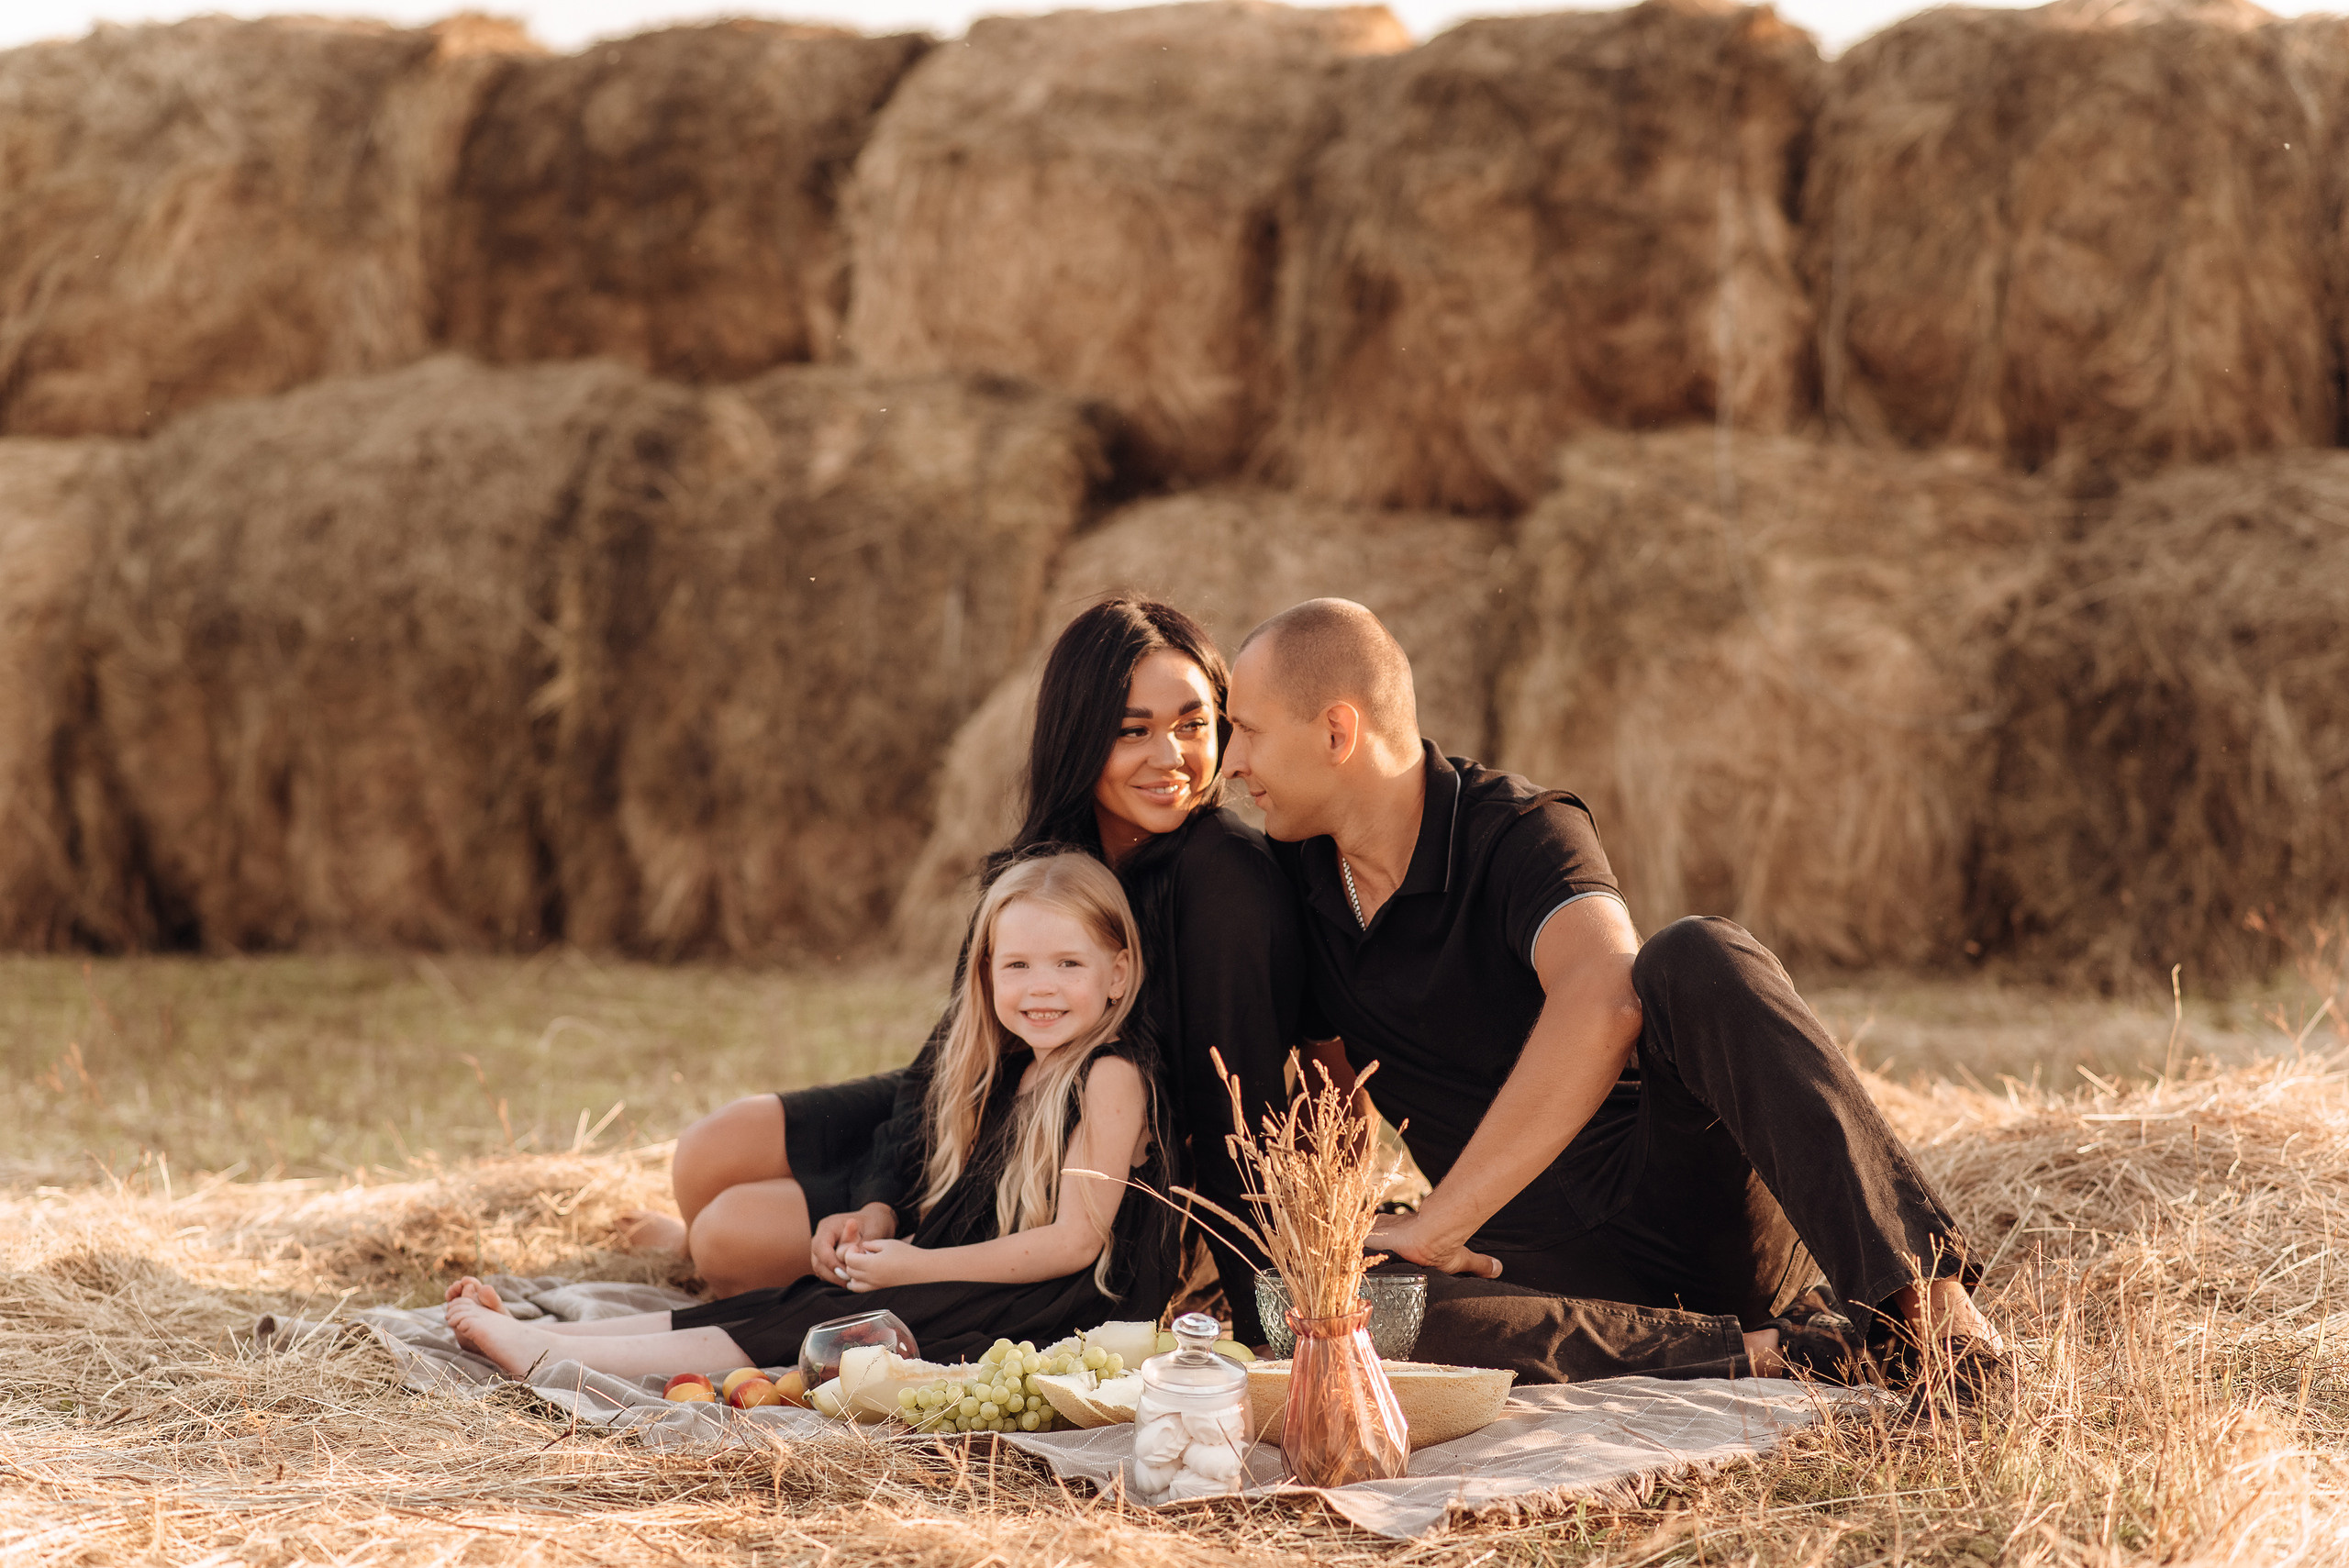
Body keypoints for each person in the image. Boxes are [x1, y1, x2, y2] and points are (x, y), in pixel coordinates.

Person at [1219, 598, 2004, 1394]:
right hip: (1517, 1263)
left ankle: (1934, 1318)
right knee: (1343, 1314)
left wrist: (1436, 1222)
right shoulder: (1295, 887)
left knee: (1697, 952)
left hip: (1685, 1206)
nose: (1231, 763)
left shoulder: (1521, 829)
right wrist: (1345, 1235)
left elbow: (1605, 994)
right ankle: (1776, 1354)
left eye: (1246, 730)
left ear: (1335, 732)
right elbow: (1333, 1096)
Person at [616, 598, 1300, 1341]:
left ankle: (718, 1256)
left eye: (1193, 724)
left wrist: (1263, 1315)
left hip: (1057, 1159)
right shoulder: (1042, 860)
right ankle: (716, 1243)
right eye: (1133, 730)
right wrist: (880, 1198)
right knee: (706, 1152)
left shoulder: (1224, 878)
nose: (1171, 757)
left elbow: (1240, 1104)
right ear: (1079, 733)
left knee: (728, 1237)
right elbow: (953, 1048)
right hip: (974, 1111)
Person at [445, 852, 1176, 1376]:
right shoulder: (1017, 1067)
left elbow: (1077, 1242)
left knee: (815, 1327)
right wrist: (895, 1243)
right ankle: (553, 1330)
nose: (1039, 987)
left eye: (1068, 965)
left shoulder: (1110, 1073)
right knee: (798, 1298)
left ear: (1118, 973)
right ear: (983, 973)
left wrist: (920, 1266)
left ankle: (554, 1355)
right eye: (1015, 965)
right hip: (997, 1287)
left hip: (1049, 1316)